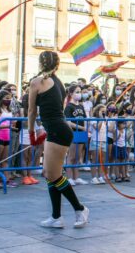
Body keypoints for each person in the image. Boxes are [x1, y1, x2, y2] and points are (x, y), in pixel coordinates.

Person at [28, 51, 89, 229]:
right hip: (56, 129)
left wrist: (31, 133)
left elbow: (32, 111)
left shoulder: (36, 82)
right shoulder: (59, 82)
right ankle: (56, 217)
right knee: (50, 173)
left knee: (53, 175)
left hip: (57, 130)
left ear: (40, 63)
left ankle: (80, 209)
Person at [64, 85, 88, 186]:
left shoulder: (81, 106)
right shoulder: (69, 107)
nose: (79, 94)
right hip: (73, 132)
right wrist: (81, 127)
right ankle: (69, 177)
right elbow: (68, 122)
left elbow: (85, 119)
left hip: (82, 133)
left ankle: (76, 177)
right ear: (71, 94)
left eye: (80, 91)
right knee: (71, 156)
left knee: (78, 156)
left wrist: (85, 128)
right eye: (77, 92)